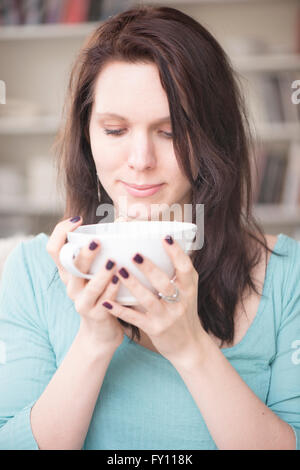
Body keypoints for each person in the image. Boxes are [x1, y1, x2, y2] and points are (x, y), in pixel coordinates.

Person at [0, 5, 299, 451]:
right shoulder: (29, 269)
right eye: (115, 129)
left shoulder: (285, 273)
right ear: (87, 137)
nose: (140, 160)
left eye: (170, 131)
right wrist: (95, 341)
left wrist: (189, 347)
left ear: (211, 137)